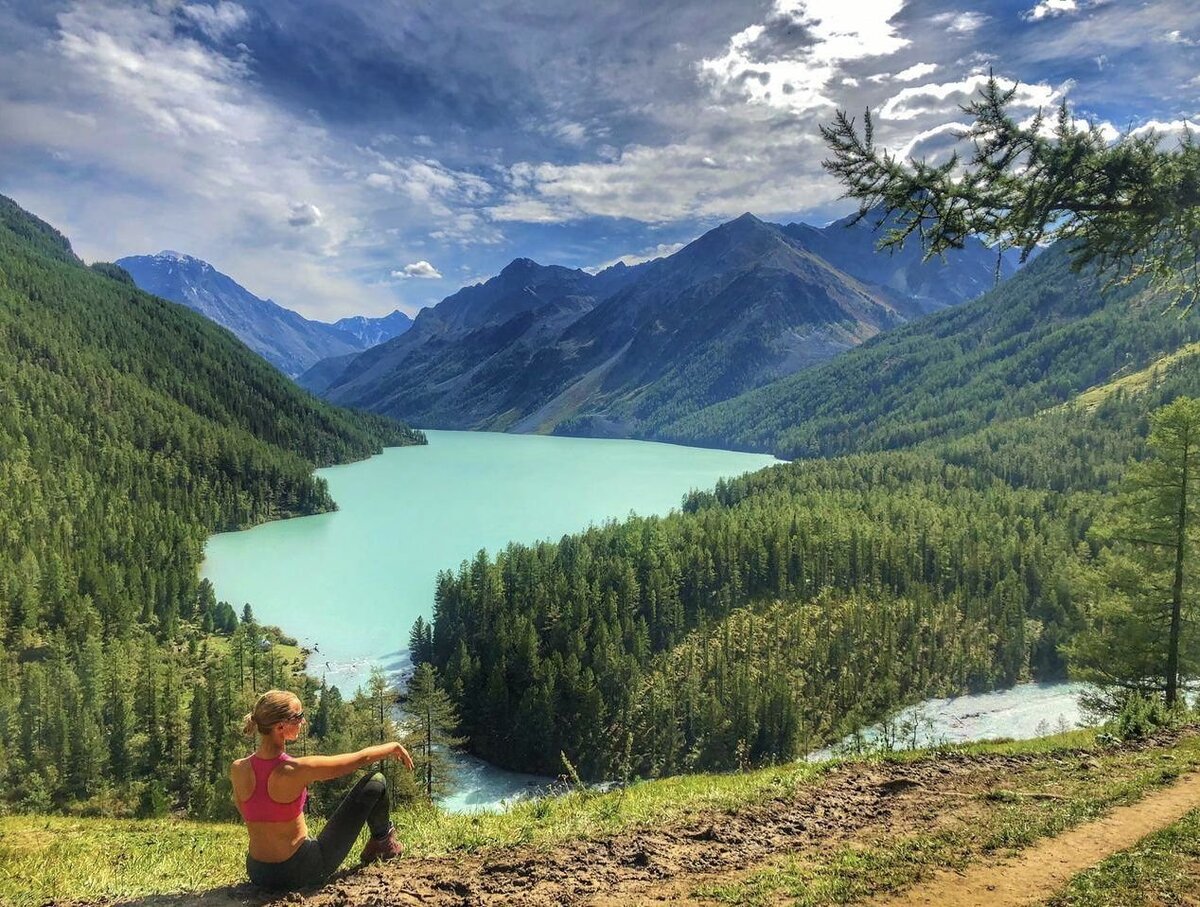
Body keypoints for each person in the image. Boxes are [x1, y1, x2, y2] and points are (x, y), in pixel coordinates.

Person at [231, 689, 415, 891]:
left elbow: (251, 815)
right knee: (375, 782)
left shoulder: (238, 768)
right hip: (300, 871)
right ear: (280, 726)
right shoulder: (295, 770)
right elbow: (360, 759)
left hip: (258, 871)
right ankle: (382, 843)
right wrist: (393, 746)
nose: (303, 721)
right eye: (299, 716)